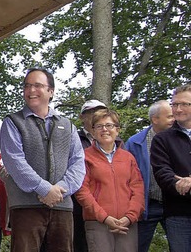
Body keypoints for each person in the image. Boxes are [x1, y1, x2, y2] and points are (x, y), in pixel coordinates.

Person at [0, 67, 85, 252]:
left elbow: (78, 162)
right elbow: (14, 161)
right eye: (27, 86)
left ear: (51, 91)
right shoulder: (12, 122)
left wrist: (60, 191)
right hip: (25, 207)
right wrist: (45, 188)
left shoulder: (67, 125)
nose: (31, 91)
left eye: (37, 85)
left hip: (62, 207)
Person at [75, 109, 144, 251]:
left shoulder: (128, 157)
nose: (104, 129)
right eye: (99, 126)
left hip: (127, 224)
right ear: (93, 131)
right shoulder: (84, 157)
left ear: (117, 130)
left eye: (109, 125)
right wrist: (104, 217)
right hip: (98, 223)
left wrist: (130, 217)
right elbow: (82, 191)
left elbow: (138, 188)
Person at [125, 100, 174, 252]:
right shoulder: (135, 143)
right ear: (155, 119)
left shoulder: (180, 138)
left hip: (174, 204)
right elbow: (127, 177)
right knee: (137, 248)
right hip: (147, 206)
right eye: (170, 116)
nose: (174, 120)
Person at [150, 84, 191, 252]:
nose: (178, 109)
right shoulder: (162, 139)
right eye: (174, 104)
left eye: (184, 104)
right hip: (178, 214)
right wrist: (181, 185)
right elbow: (162, 173)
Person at [73, 99, 108, 252]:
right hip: (80, 206)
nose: (96, 115)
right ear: (82, 117)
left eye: (100, 112)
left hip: (108, 206)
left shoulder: (117, 141)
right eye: (91, 112)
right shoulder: (73, 138)